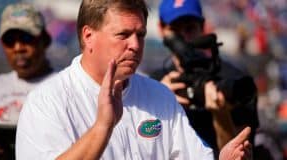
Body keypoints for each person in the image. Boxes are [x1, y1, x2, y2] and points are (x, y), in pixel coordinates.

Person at [16, 0, 252, 159]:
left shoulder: (160, 95)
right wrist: (103, 127)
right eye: (123, 35)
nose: (135, 46)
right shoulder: (46, 102)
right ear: (88, 36)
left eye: (140, 35)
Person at [149, 0, 259, 157]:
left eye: (190, 28)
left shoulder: (234, 81)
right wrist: (158, 101)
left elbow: (241, 155)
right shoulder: (155, 83)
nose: (183, 38)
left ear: (202, 27)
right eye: (175, 29)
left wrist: (221, 114)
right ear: (161, 29)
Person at [0, 3, 54, 160]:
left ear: (45, 40)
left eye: (26, 38)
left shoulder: (66, 86)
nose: (18, 48)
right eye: (9, 40)